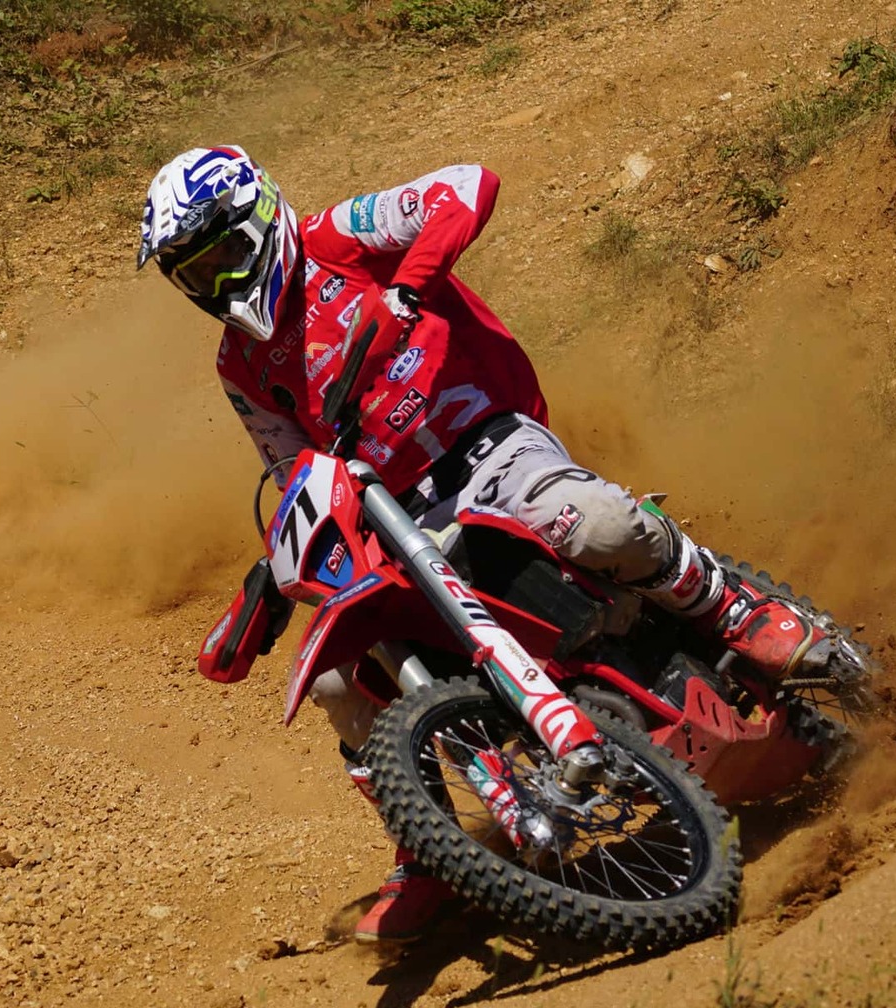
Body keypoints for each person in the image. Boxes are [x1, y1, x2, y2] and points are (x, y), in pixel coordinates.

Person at [137, 145, 820, 946]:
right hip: (396, 510)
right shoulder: (240, 364)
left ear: (256, 221)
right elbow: (291, 467)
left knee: (590, 522)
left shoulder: (339, 237)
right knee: (335, 682)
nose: (214, 283)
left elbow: (465, 187)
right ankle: (427, 843)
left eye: (219, 256)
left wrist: (404, 291)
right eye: (192, 274)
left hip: (488, 443)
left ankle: (732, 609)